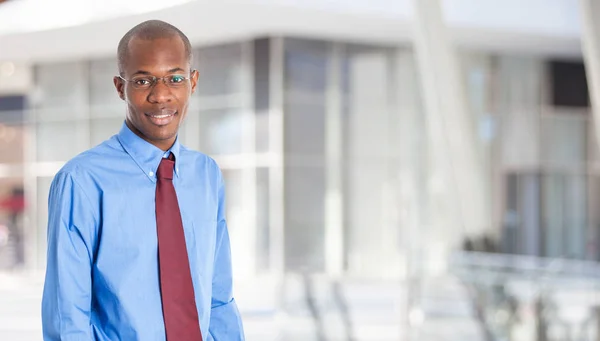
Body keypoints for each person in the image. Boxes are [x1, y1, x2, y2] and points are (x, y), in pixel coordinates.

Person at [41, 20, 245, 340]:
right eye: (143, 80)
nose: (161, 95)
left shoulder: (206, 175)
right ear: (120, 87)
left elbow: (219, 297)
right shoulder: (81, 182)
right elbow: (67, 318)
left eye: (174, 78)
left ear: (192, 82)